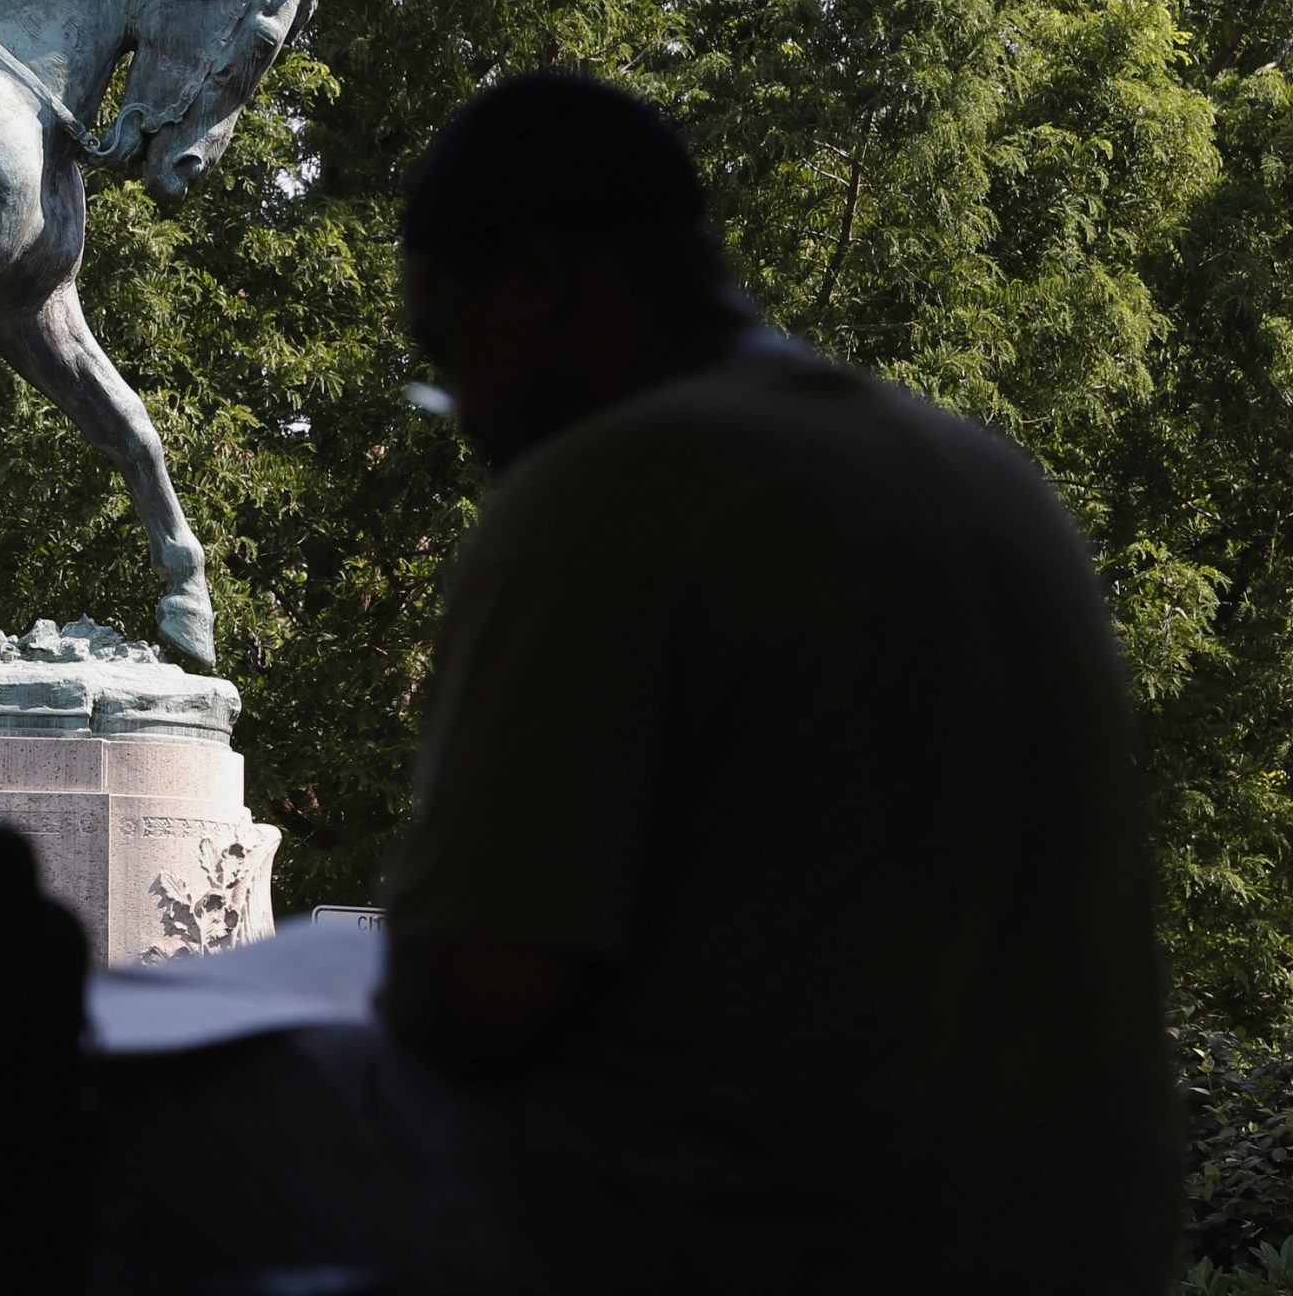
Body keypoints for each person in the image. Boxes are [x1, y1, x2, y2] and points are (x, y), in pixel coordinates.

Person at [377, 69, 1178, 1291]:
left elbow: (478, 988)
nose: (464, 410)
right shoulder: (984, 476)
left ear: (541, 280)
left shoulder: (604, 494)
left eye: (446, 349)